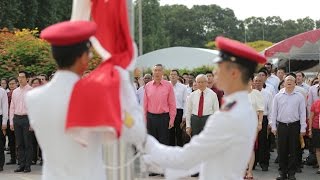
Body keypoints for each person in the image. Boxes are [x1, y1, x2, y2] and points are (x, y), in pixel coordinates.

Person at [142, 36, 266, 179]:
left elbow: (187, 158)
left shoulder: (229, 115)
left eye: (219, 68)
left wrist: (144, 142)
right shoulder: (242, 108)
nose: (214, 73)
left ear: (234, 73)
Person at [25, 21, 107, 180]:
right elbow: (131, 128)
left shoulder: (33, 97)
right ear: (83, 58)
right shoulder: (96, 95)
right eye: (89, 54)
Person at [271, 75, 306, 180]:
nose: (289, 82)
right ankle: (282, 172)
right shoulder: (278, 96)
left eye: (292, 80)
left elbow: (302, 113)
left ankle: (291, 173)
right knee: (281, 150)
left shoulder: (299, 96)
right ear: (284, 83)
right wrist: (273, 126)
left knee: (294, 150)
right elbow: (274, 112)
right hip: (281, 126)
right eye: (287, 80)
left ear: (295, 83)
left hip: (294, 126)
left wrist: (303, 128)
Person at [144, 64, 176, 146]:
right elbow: (144, 104)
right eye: (155, 70)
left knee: (164, 142)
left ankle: (163, 159)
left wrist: (172, 119)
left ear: (163, 72)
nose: (157, 72)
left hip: (164, 118)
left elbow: (172, 103)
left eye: (159, 70)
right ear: (152, 72)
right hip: (150, 118)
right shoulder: (147, 86)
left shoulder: (168, 85)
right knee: (151, 143)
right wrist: (144, 119)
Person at [10, 71, 33, 173]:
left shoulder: (31, 91)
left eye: (22, 77)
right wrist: (11, 121)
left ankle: (27, 166)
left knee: (27, 143)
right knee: (19, 143)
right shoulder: (15, 91)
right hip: (17, 119)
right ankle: (21, 164)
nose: (20, 79)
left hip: (27, 118)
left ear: (27, 79)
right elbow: (12, 107)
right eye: (19, 77)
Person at [169, 69, 188, 146]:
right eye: (171, 74)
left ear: (177, 76)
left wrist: (184, 116)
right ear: (169, 76)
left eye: (174, 74)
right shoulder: (166, 85)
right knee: (170, 133)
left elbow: (185, 102)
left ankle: (180, 150)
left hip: (179, 112)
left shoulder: (183, 87)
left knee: (179, 133)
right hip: (168, 112)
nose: (173, 76)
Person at [308, 88, 320, 174]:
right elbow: (311, 118)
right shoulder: (315, 104)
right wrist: (310, 130)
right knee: (318, 149)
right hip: (316, 129)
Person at [0, 82, 8, 171]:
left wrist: (4, 122)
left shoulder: (2, 91)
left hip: (0, 117)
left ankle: (0, 164)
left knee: (0, 144)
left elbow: (5, 107)